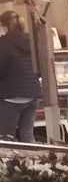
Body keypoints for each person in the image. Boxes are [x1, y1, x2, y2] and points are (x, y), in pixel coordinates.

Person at [0, 11, 41, 143]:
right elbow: (39, 68)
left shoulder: (3, 43)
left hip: (12, 96)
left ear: (5, 25)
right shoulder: (32, 40)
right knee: (27, 135)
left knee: (7, 138)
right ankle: (36, 163)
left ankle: (8, 164)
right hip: (33, 94)